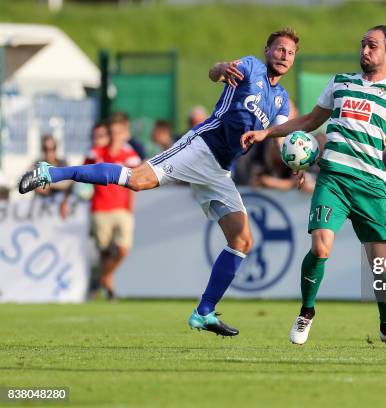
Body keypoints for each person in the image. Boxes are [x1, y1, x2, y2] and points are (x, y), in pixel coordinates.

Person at [19, 28, 299, 337]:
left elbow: (281, 136)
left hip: (219, 170)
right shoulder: (250, 66)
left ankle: (204, 313)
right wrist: (220, 69)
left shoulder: (281, 100)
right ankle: (51, 173)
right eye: (280, 49)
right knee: (137, 180)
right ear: (267, 50)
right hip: (200, 146)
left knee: (242, 241)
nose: (284, 56)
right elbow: (216, 71)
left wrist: (296, 160)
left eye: (290, 53)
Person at [242, 25, 386, 349]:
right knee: (320, 248)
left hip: (371, 186)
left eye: (372, 46)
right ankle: (306, 312)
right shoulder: (340, 83)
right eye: (362, 45)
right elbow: (309, 121)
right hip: (333, 178)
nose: (365, 51)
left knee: (380, 264)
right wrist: (266, 134)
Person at [62, 120, 141, 300]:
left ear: (124, 134)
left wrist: (131, 206)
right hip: (100, 207)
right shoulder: (96, 154)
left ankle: (105, 277)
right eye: (111, 132)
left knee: (123, 249)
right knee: (104, 251)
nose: (114, 136)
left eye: (117, 132)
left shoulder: (129, 155)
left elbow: (137, 180)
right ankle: (109, 289)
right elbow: (78, 173)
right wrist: (67, 198)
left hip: (121, 208)